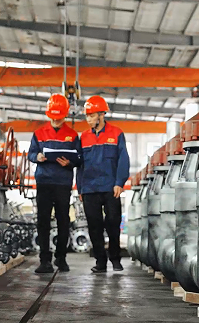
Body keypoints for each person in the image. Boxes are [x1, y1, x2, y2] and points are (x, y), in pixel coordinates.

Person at [27, 94, 82, 274]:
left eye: (59, 117)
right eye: (54, 117)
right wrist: (37, 157)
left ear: (65, 115)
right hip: (44, 181)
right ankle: (45, 260)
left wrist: (70, 163)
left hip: (63, 183)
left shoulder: (72, 135)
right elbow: (30, 154)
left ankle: (61, 257)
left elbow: (79, 158)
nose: (56, 120)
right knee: (43, 221)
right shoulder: (39, 133)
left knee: (63, 220)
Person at [78, 95, 130, 273]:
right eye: (87, 116)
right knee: (94, 226)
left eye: (92, 116)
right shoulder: (84, 137)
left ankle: (115, 259)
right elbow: (80, 165)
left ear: (101, 115)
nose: (88, 119)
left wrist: (119, 182)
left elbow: (123, 160)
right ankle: (100, 262)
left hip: (110, 187)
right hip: (89, 188)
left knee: (113, 223)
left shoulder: (116, 133)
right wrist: (80, 188)